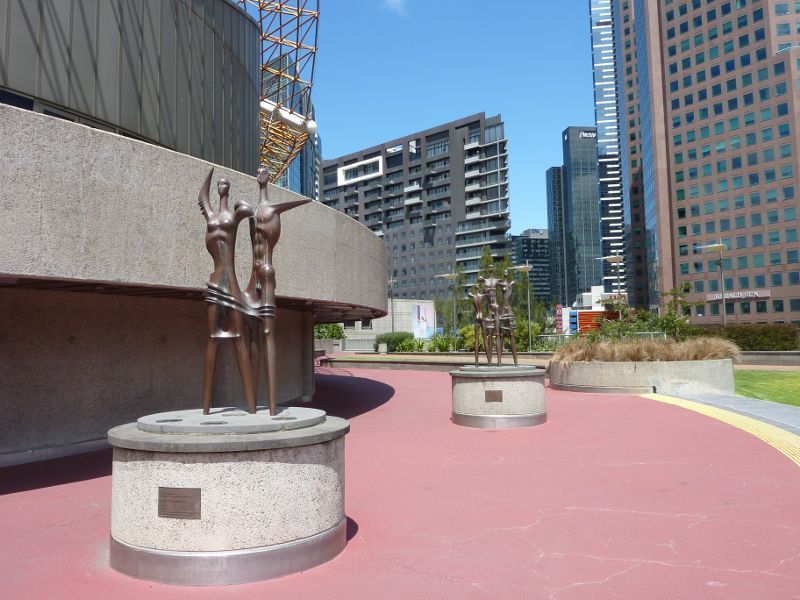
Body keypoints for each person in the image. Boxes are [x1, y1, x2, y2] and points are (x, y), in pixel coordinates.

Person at [243, 167, 310, 415]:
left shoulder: (272, 210)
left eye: (264, 171)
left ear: (268, 177)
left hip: (266, 271)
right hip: (253, 275)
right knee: (252, 331)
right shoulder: (252, 211)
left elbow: (272, 238)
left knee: (268, 331)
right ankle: (252, 404)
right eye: (257, 171)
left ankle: (272, 406)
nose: (259, 173)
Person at [198, 168, 257, 414]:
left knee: (240, 339)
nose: (222, 185)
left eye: (225, 183)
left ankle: (252, 406)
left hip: (231, 282)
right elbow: (202, 198)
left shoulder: (235, 214)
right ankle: (205, 408)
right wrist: (208, 178)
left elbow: (252, 211)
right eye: (219, 183)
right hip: (216, 282)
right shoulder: (210, 215)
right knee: (212, 340)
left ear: (228, 189)